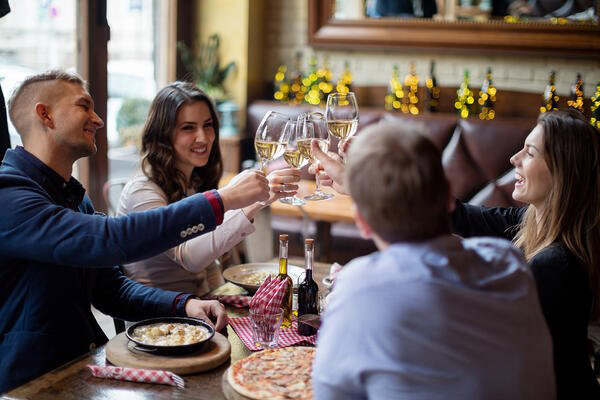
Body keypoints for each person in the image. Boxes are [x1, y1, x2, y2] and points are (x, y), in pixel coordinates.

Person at [0, 70, 270, 393]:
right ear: (45, 115)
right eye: (84, 107)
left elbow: (110, 289)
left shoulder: (72, 195)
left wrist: (183, 306)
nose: (98, 120)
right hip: (28, 385)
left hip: (79, 369)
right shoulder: (9, 194)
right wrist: (222, 200)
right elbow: (112, 239)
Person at [312, 122, 555, 399]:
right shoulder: (510, 264)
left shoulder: (359, 286)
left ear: (362, 223)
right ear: (449, 197)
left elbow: (330, 394)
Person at [451, 109, 600, 398]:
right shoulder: (536, 223)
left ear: (564, 170)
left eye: (529, 153)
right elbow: (461, 216)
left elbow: (506, 357)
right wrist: (361, 177)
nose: (514, 159)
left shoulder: (556, 265)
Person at [116, 81, 300, 295]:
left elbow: (210, 266)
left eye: (208, 125)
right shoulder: (143, 191)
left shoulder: (193, 181)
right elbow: (191, 259)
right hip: (157, 318)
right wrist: (251, 202)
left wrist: (228, 299)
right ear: (163, 133)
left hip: (201, 305)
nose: (203, 137)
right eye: (188, 127)